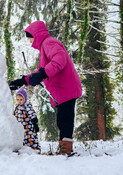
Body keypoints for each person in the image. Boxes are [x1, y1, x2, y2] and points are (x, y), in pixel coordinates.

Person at [9, 21, 82, 155]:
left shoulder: (49, 43)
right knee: (62, 119)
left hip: (66, 88)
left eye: (30, 37)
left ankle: (66, 149)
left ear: (36, 35)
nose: (30, 41)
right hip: (63, 91)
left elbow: (59, 60)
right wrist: (23, 81)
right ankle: (64, 147)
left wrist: (43, 73)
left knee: (65, 119)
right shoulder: (45, 47)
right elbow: (40, 73)